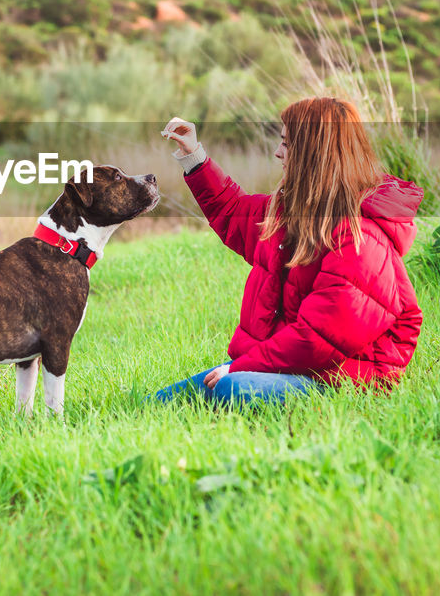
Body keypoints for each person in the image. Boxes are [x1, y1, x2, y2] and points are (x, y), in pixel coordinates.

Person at [154, 96, 424, 406]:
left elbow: (317, 341)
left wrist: (239, 367)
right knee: (160, 403)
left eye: (287, 143)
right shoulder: (295, 214)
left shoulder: (361, 237)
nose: (277, 152)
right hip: (297, 370)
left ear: (313, 154)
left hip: (344, 381)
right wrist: (194, 156)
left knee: (231, 388)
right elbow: (234, 213)